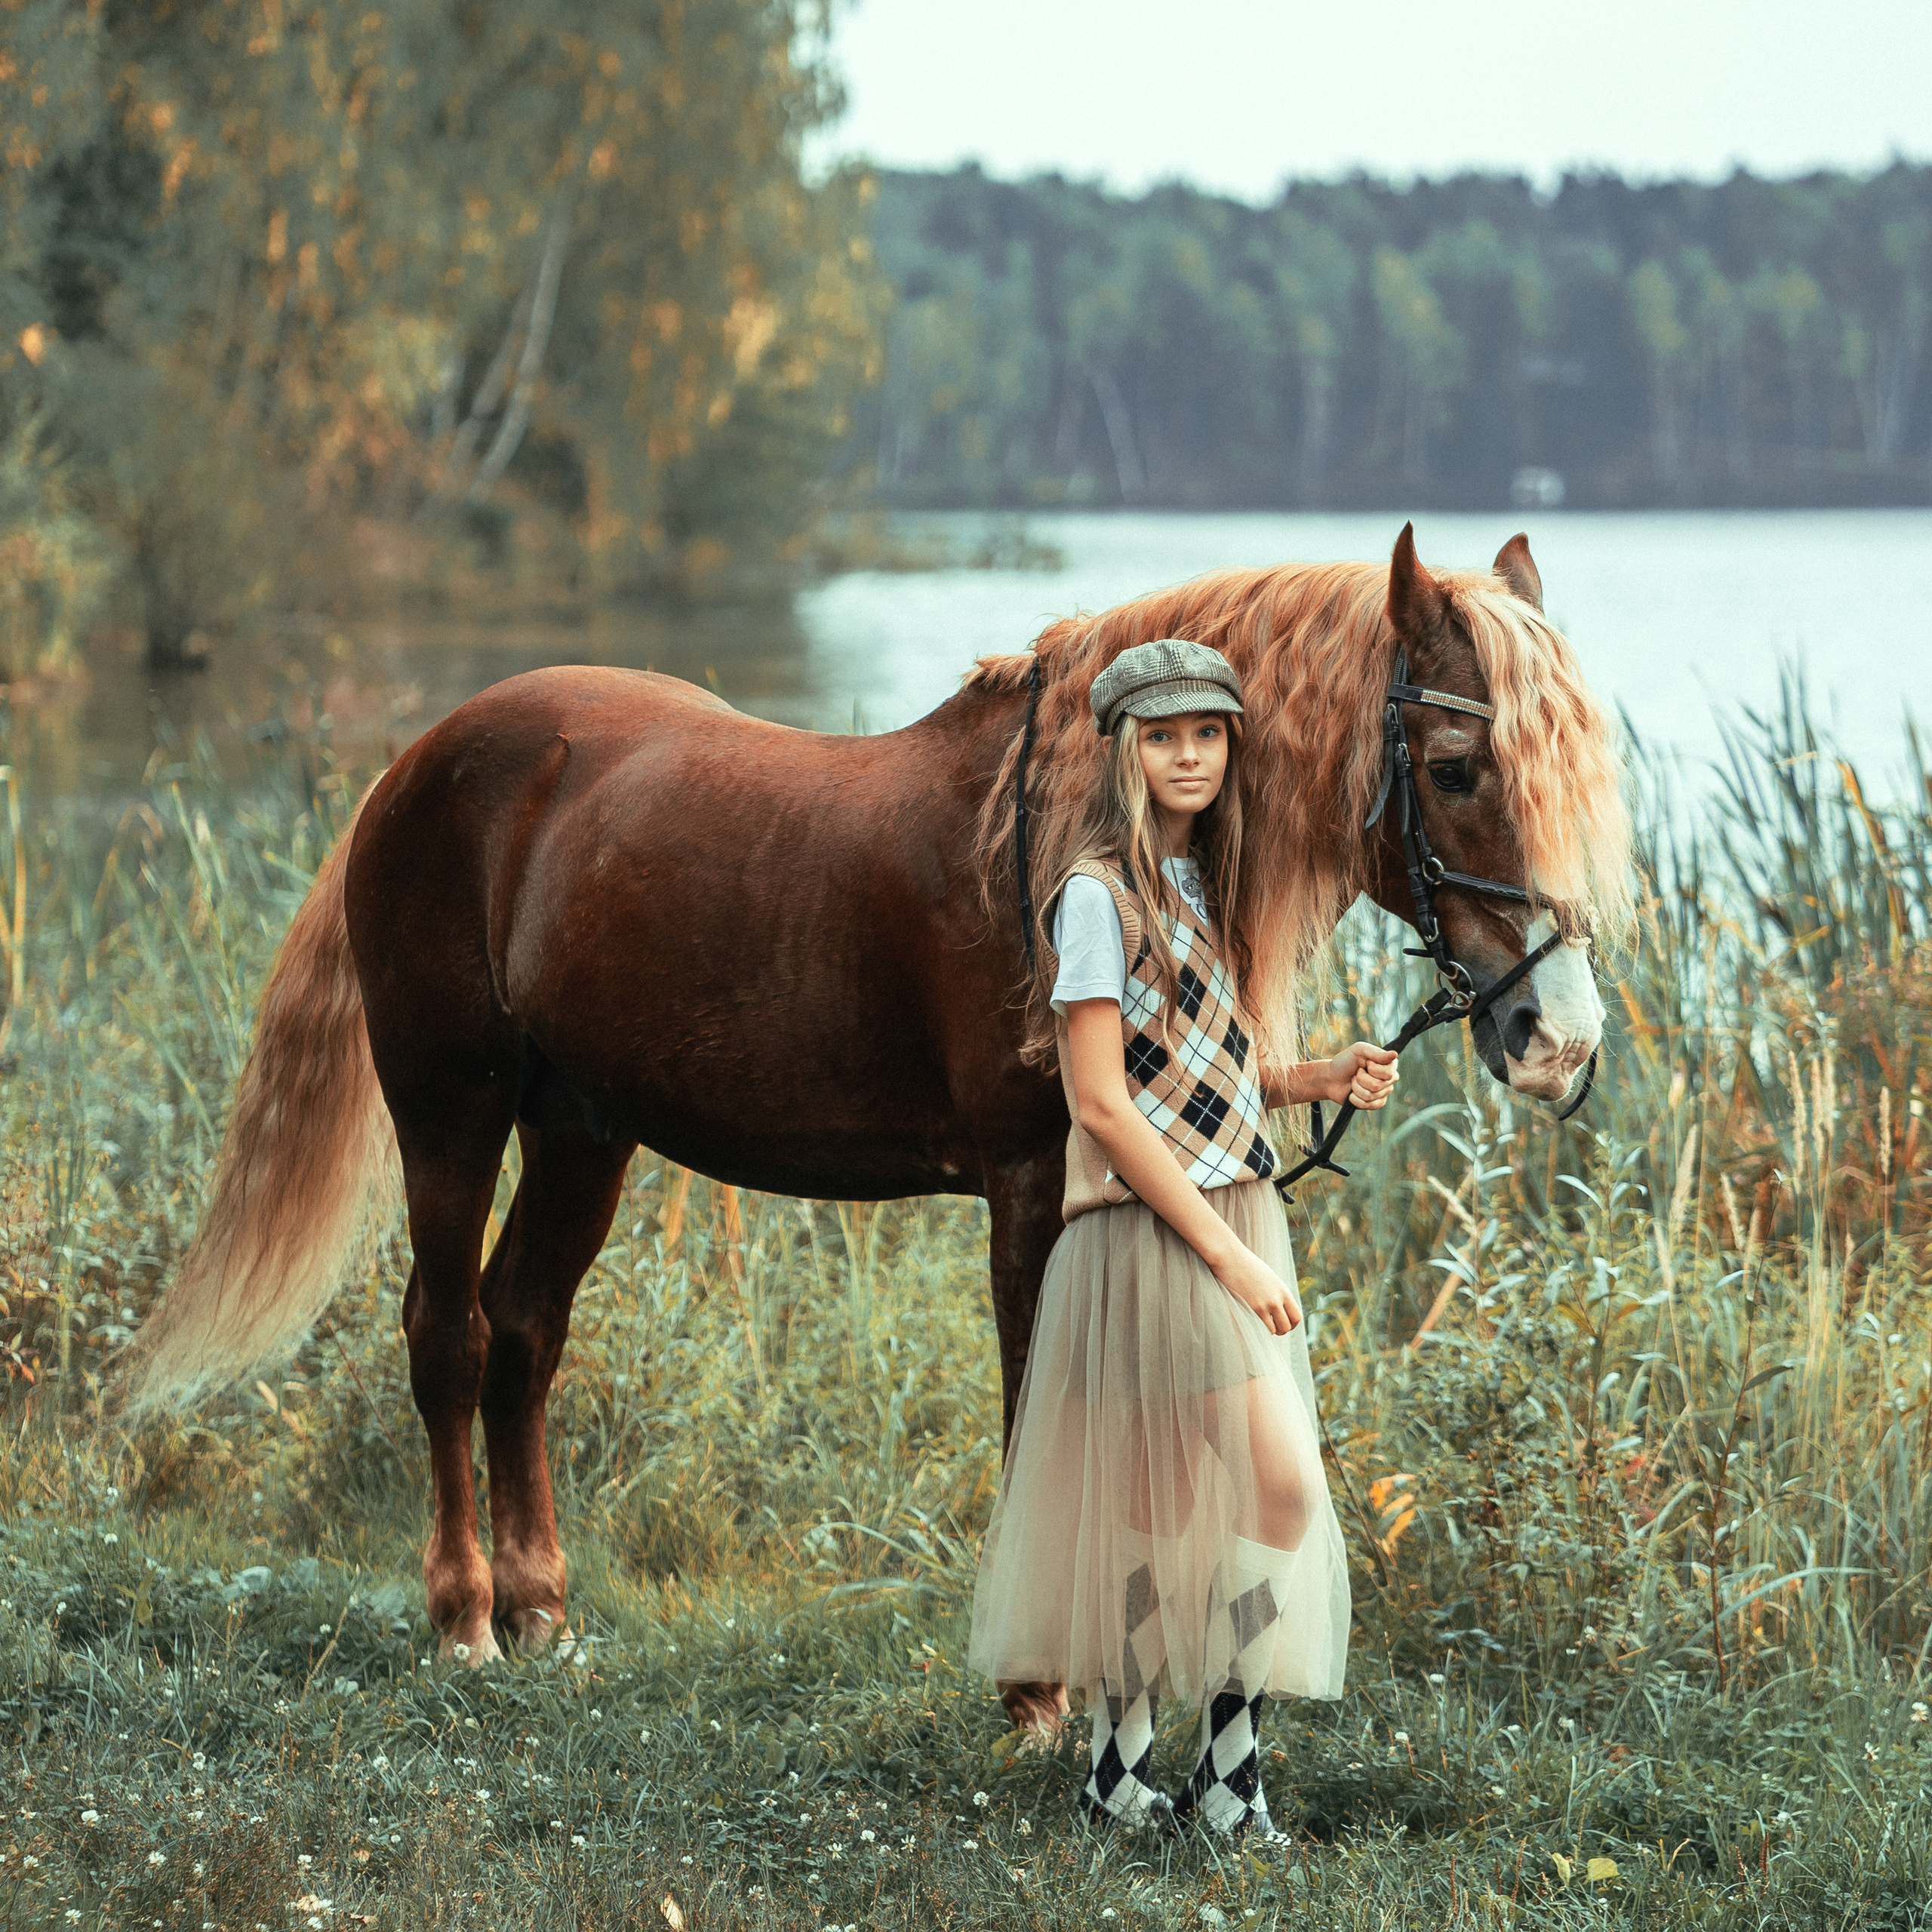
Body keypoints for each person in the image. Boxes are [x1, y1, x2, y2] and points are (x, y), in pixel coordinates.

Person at [968, 636, 1398, 1839]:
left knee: (1175, 1504)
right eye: (1164, 736)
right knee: (1278, 1487)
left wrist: (1313, 1077)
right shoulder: (1098, 897)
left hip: (1227, 1205)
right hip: (1162, 1231)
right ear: (1124, 751)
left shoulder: (1204, 885)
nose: (1190, 755)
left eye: (1207, 732)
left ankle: (1137, 1778)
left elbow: (1198, 1064)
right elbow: (1102, 1101)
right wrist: (1228, 1252)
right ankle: (1220, 1778)